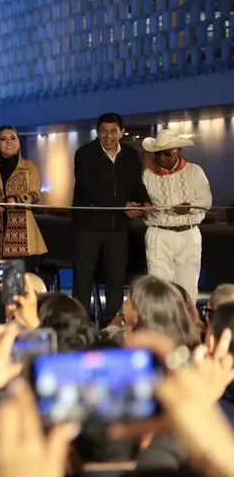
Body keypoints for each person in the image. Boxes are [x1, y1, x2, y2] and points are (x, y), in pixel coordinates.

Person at [71, 113, 153, 325]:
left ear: (121, 132)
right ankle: (78, 324)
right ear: (97, 132)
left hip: (118, 229)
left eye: (113, 131)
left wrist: (144, 202)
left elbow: (136, 185)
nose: (108, 136)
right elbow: (90, 190)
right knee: (83, 277)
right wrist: (122, 206)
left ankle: (114, 324)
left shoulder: (131, 155)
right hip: (88, 226)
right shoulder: (84, 154)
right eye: (103, 131)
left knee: (116, 279)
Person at [140, 128, 211, 304]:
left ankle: (188, 327)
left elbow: (206, 200)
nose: (161, 158)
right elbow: (140, 201)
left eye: (166, 153)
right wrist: (143, 207)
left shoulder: (195, 171)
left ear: (178, 151)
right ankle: (160, 329)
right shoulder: (147, 175)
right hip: (159, 234)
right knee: (158, 287)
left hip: (189, 233)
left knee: (188, 285)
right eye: (157, 154)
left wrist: (189, 208)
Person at [0, 126, 47, 268]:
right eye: (3, 139)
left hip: (23, 235)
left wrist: (15, 199)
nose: (9, 142)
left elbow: (35, 195)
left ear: (19, 142)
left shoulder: (30, 167)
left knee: (15, 285)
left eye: (13, 138)